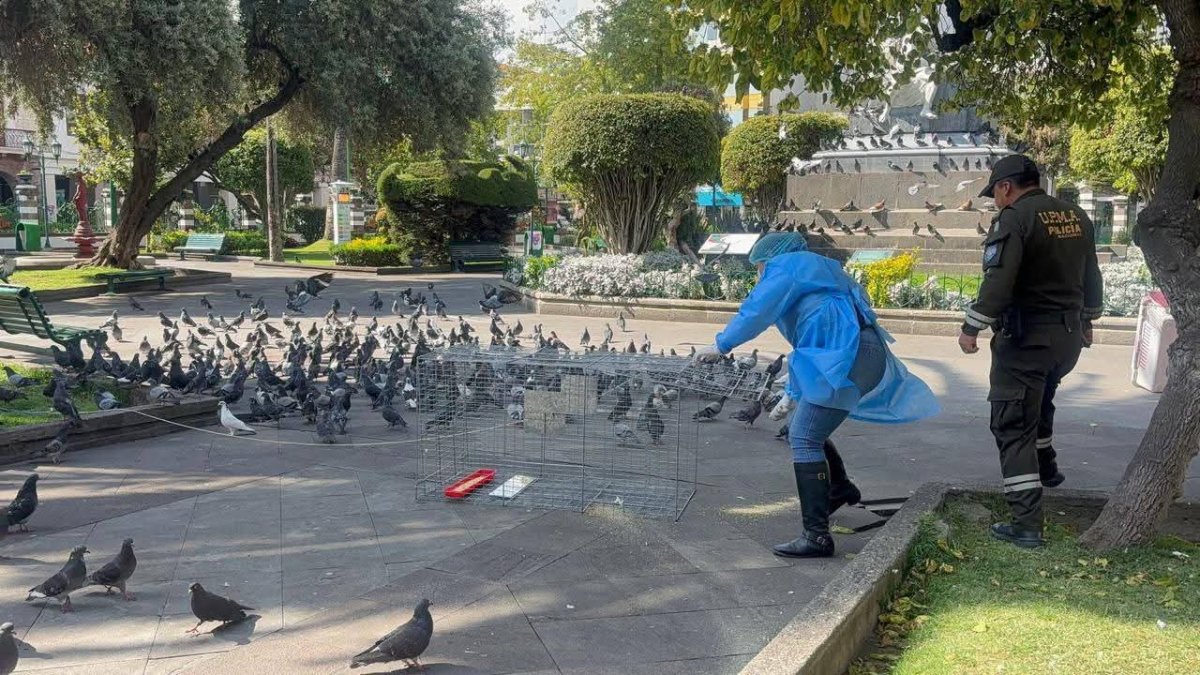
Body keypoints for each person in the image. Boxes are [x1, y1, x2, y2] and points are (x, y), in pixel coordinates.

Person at [696, 232, 940, 558]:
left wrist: (720, 345)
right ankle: (839, 487)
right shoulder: (820, 269)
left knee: (803, 437)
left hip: (849, 354)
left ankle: (817, 536)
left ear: (767, 259)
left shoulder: (787, 266)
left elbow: (756, 311)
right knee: (811, 427)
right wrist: (792, 392)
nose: (759, 274)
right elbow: (815, 341)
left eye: (759, 267)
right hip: (862, 352)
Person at [958, 154, 1104, 549]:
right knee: (1039, 403)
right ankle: (1048, 468)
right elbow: (1091, 273)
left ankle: (1026, 524)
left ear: (1006, 187)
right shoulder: (1075, 215)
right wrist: (1088, 320)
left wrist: (972, 326)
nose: (995, 201)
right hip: (1066, 340)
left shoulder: (1014, 218)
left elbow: (999, 280)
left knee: (1012, 424)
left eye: (995, 193)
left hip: (1026, 341)